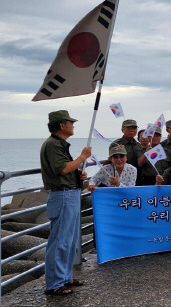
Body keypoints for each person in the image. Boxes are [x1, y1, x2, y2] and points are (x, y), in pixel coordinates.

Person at [40, 110, 91, 296]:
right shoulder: (53, 144)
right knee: (60, 240)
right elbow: (62, 169)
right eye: (70, 122)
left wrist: (77, 174)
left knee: (68, 240)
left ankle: (64, 277)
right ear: (62, 125)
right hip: (62, 195)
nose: (73, 125)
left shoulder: (58, 144)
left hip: (69, 194)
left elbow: (67, 169)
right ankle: (54, 283)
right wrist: (82, 157)